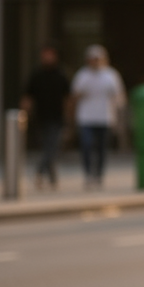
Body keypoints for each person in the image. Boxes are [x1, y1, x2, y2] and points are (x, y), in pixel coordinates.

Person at [70, 45, 125, 190]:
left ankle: (99, 175)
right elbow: (74, 96)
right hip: (86, 117)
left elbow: (119, 96)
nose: (95, 62)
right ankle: (88, 174)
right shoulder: (82, 75)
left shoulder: (111, 75)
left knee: (101, 148)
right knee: (87, 146)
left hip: (105, 117)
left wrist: (119, 115)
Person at [21, 43, 70, 190]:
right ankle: (52, 177)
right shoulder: (36, 75)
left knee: (52, 147)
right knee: (47, 147)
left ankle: (40, 172)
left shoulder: (61, 75)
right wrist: (24, 115)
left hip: (57, 117)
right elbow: (27, 97)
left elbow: (67, 99)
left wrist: (70, 118)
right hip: (41, 117)